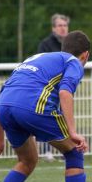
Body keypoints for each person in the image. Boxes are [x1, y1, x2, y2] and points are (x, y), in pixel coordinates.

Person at [0, 30, 91, 182]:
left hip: (5, 108)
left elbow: (0, 98)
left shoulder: (34, 59)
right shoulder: (73, 62)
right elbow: (65, 92)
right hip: (33, 107)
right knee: (74, 151)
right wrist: (72, 131)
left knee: (27, 161)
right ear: (86, 55)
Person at [38, 13, 71, 161]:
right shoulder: (45, 44)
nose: (63, 28)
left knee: (65, 116)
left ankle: (66, 150)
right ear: (53, 28)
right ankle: (46, 151)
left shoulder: (71, 45)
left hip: (65, 88)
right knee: (47, 116)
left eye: (65, 25)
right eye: (60, 25)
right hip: (48, 88)